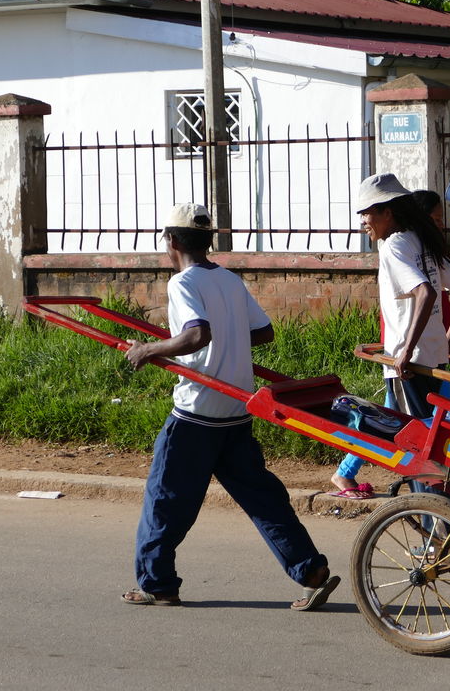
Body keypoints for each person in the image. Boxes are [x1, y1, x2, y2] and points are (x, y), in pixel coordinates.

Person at [121, 203, 338, 610]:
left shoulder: (182, 284)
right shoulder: (229, 280)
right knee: (263, 497)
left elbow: (196, 334)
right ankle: (311, 570)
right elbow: (264, 332)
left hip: (197, 413)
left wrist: (149, 349)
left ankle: (158, 583)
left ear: (169, 241)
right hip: (236, 410)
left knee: (165, 499)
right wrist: (230, 346)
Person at [328, 179, 450, 498]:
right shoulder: (422, 240)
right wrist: (445, 338)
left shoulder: (394, 246)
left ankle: (435, 524)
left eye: (366, 214)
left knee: (415, 444)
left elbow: (425, 292)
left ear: (386, 213)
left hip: (409, 366)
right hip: (432, 357)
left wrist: (404, 351)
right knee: (430, 436)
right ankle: (441, 516)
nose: (363, 222)